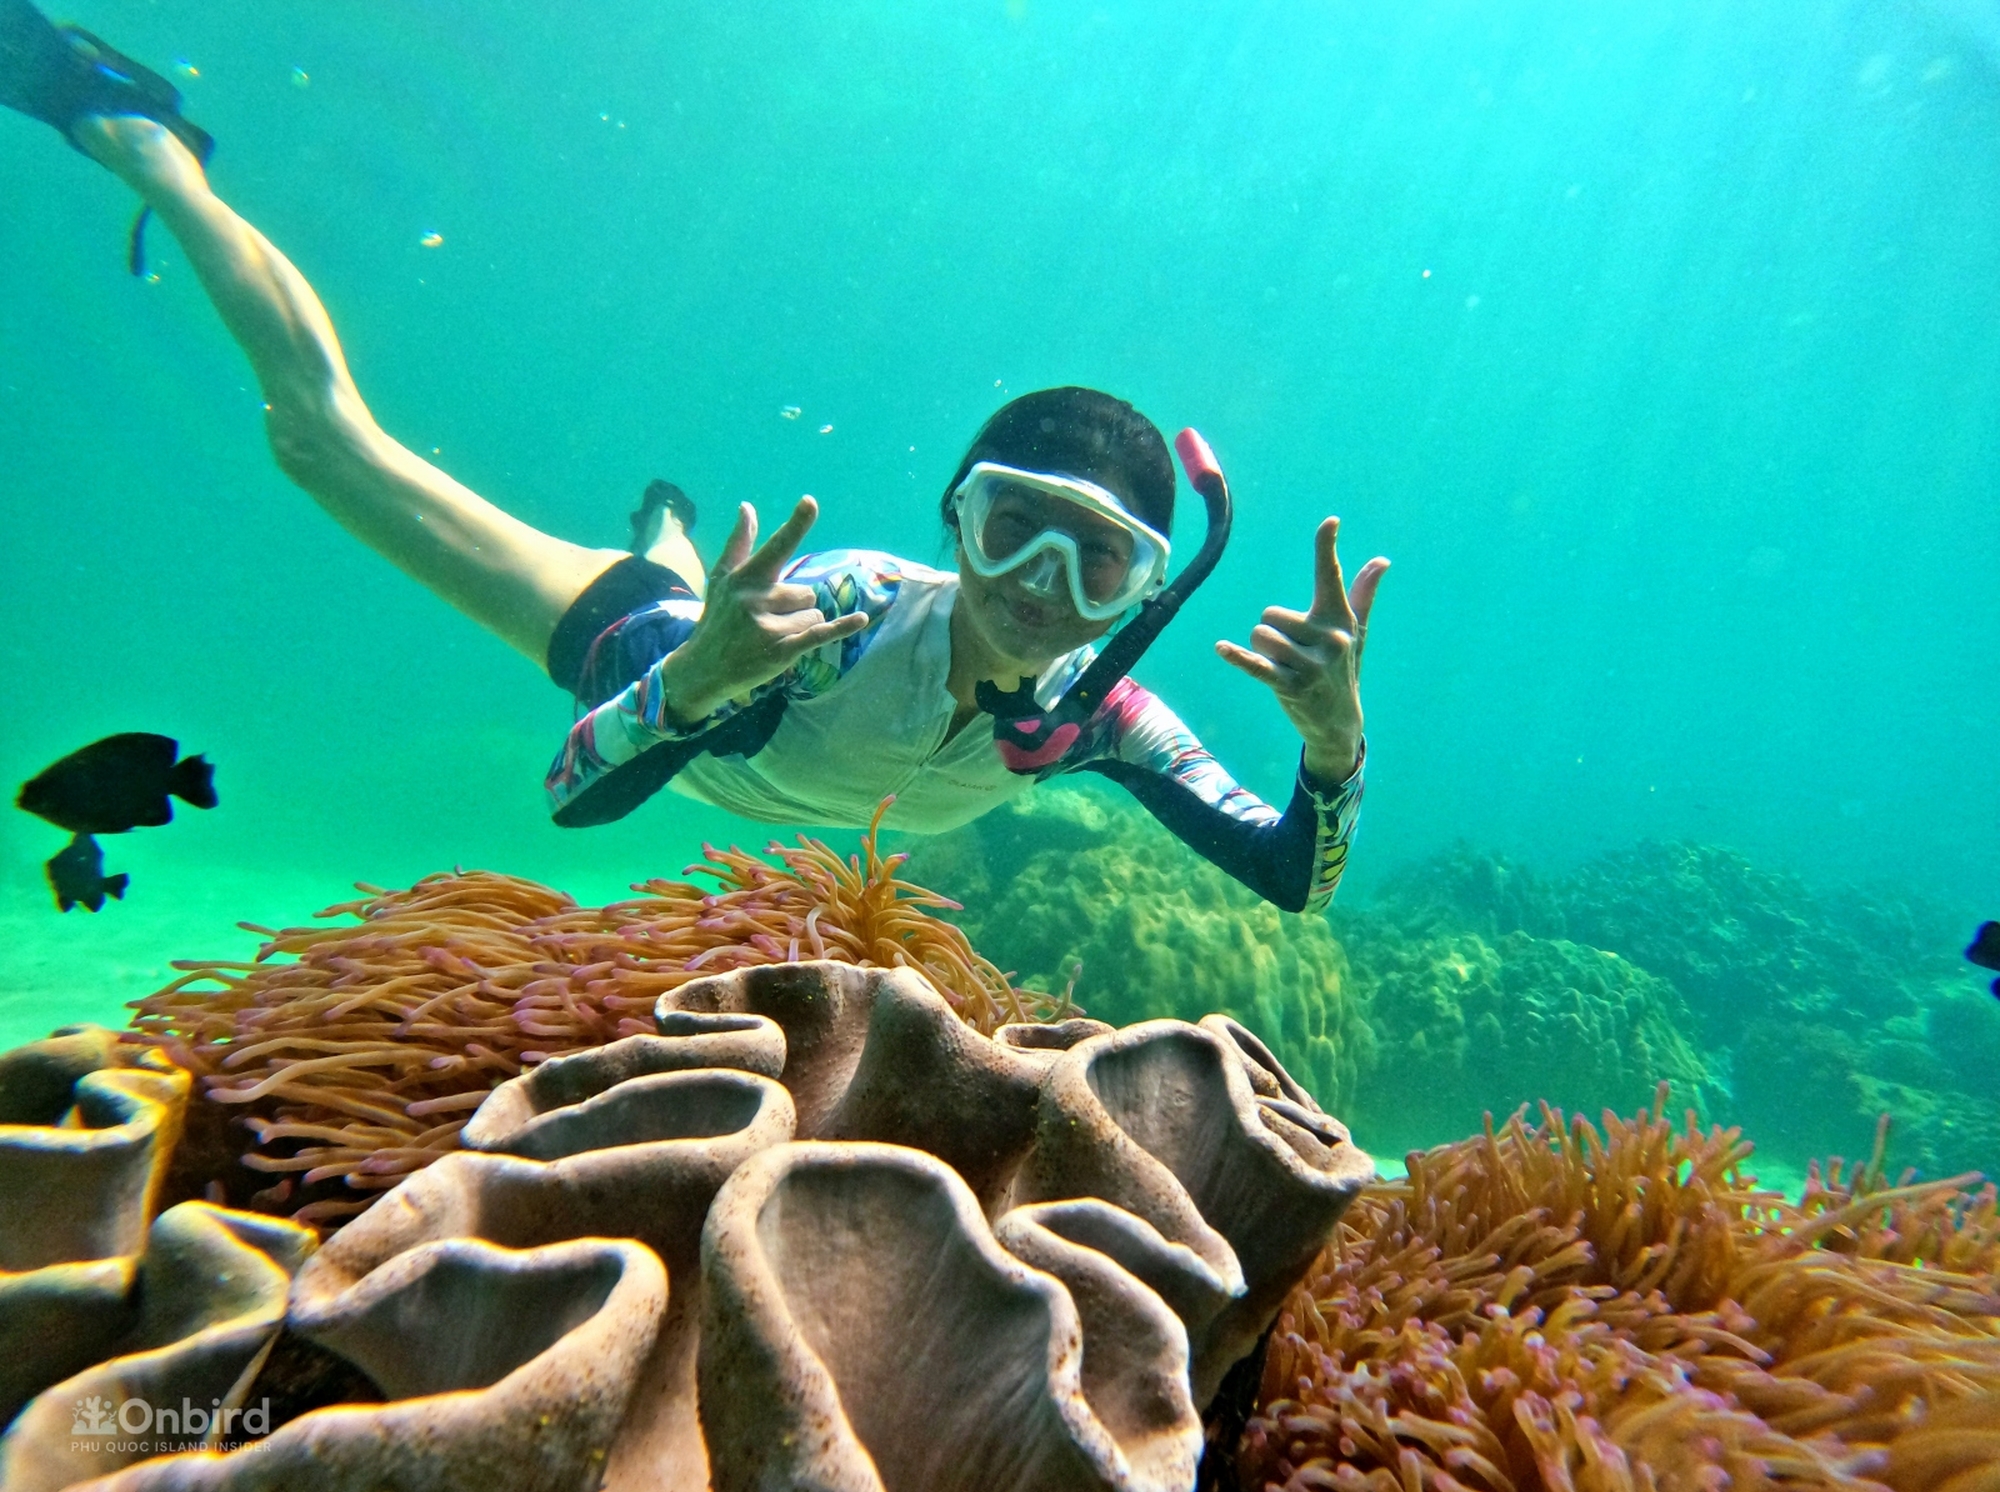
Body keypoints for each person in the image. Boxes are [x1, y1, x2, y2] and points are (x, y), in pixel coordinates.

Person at [5, 8, 1389, 914]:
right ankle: (144, 139)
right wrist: (701, 677)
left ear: (1145, 588)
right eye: (1011, 527)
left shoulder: (1105, 714)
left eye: (1098, 562)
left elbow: (1296, 880)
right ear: (955, 521)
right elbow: (572, 796)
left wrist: (1333, 750)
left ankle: (667, 526)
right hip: (648, 640)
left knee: (678, 572)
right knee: (319, 446)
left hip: (712, 640)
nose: (1041, 583)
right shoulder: (839, 625)